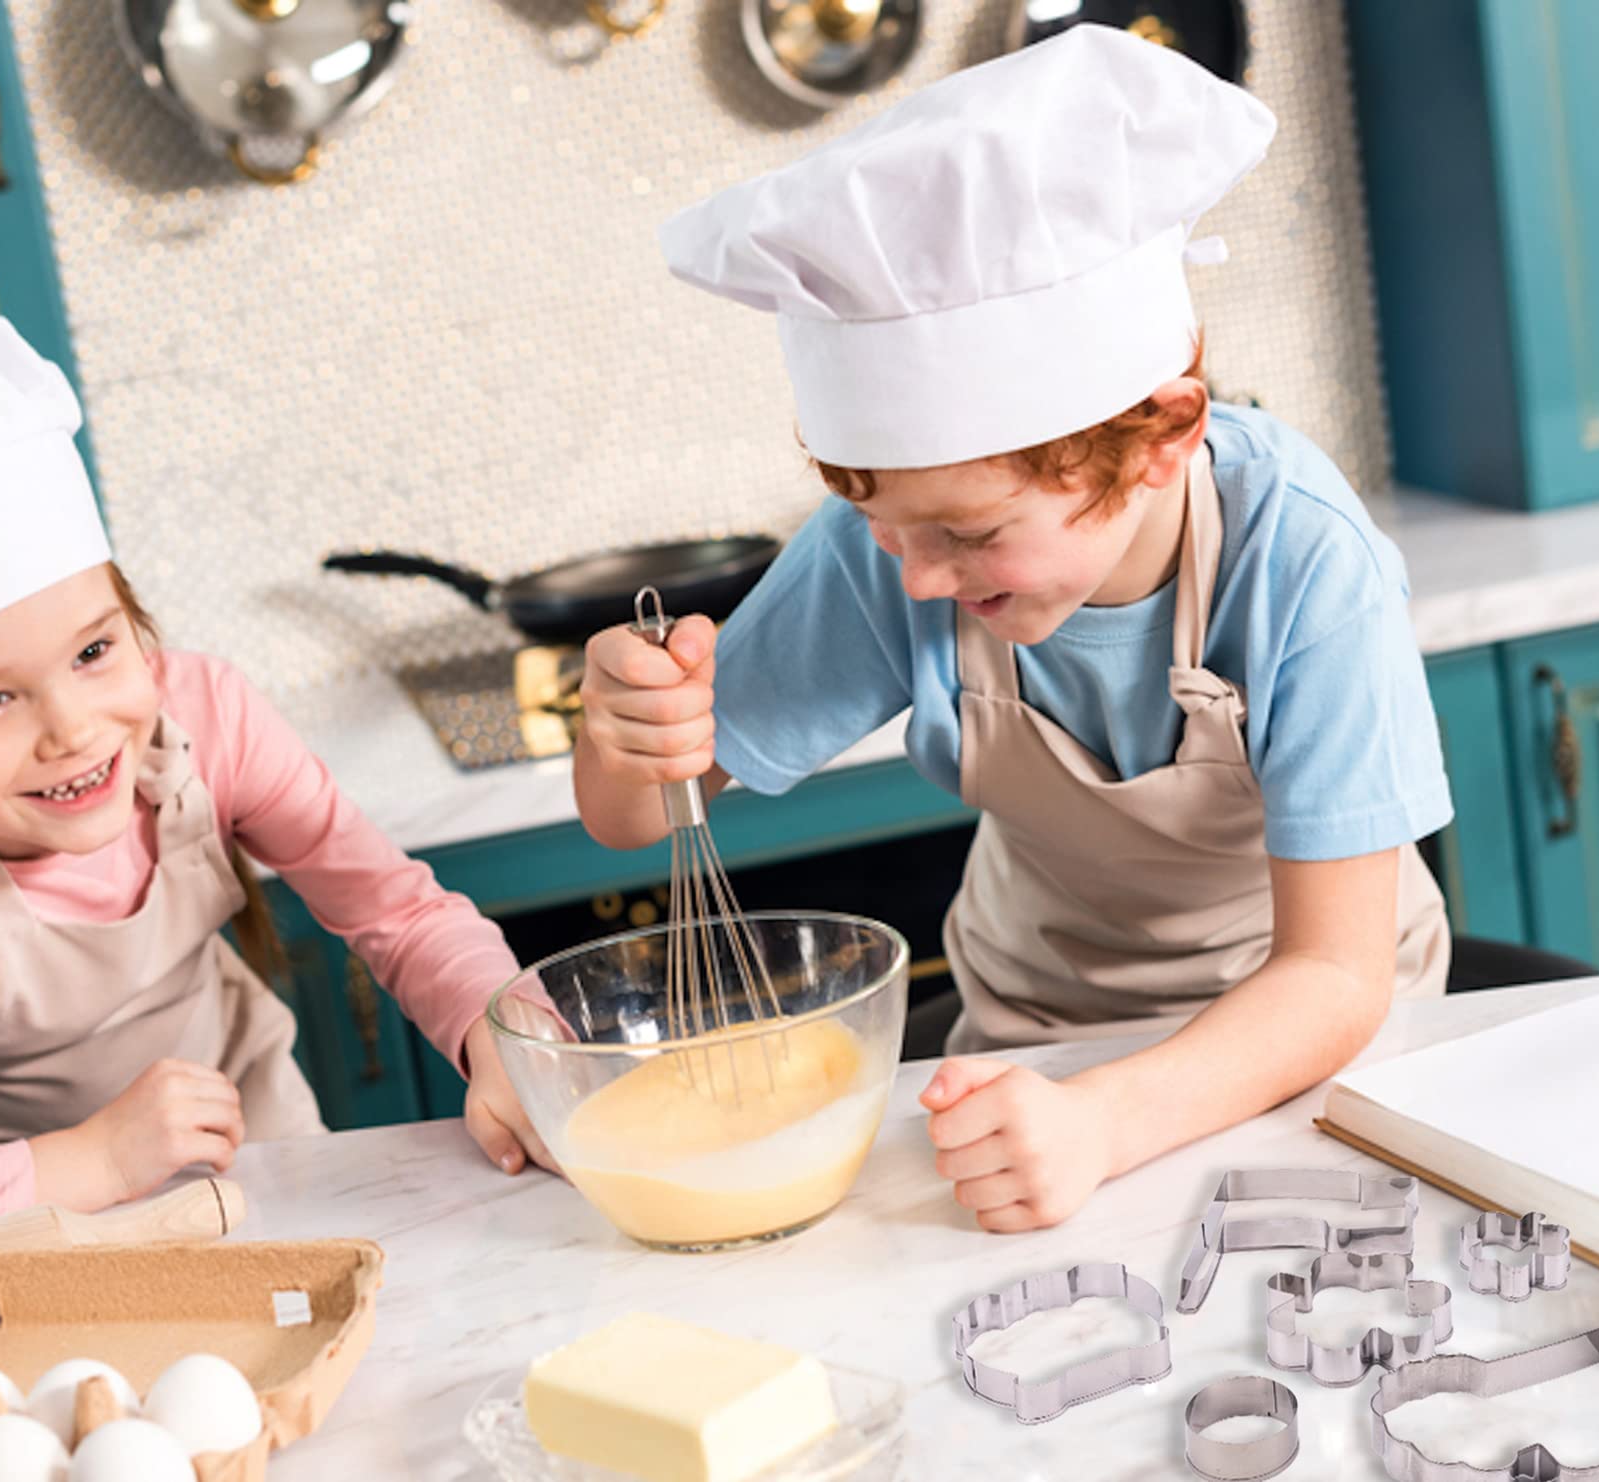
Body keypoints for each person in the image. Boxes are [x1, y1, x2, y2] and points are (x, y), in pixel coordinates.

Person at [574, 26, 1451, 1234]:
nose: (920, 580)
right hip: (1030, 1048)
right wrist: (625, 731)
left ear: (1161, 439)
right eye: (881, 525)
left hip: (1310, 1050)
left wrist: (1105, 1121)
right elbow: (632, 823)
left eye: (972, 536)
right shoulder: (890, 548)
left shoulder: (1299, 557)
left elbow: (1333, 976)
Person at [0, 318, 551, 1280]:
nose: (73, 728)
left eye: (94, 651)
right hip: (5, 1245)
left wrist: (497, 1026)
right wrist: (100, 1158)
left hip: (255, 1148)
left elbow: (393, 909)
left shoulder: (206, 714)